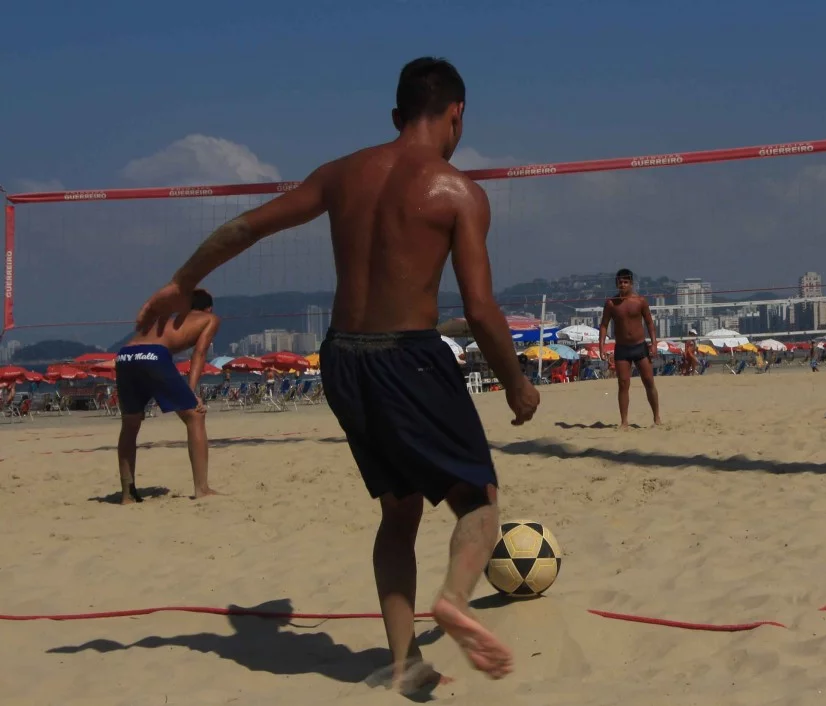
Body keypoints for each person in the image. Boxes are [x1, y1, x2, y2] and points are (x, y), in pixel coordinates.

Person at [133, 57, 539, 693]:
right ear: (456, 113)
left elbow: (246, 227)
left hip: (342, 358)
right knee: (479, 503)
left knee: (398, 512)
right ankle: (456, 599)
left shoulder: (342, 174)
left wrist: (183, 282)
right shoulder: (459, 191)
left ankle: (405, 663)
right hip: (408, 353)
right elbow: (481, 308)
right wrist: (516, 383)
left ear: (396, 115)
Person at [116, 288, 221, 504]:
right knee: (195, 416)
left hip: (125, 355)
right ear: (208, 308)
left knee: (130, 424)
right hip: (153, 355)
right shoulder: (210, 318)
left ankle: (127, 493)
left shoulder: (168, 320)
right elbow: (199, 354)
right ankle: (202, 488)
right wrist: (192, 392)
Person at [598, 268, 661, 429]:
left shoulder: (640, 301)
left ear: (631, 283)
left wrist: (654, 344)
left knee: (649, 382)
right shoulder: (611, 304)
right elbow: (604, 325)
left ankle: (657, 418)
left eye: (626, 282)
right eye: (620, 282)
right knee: (623, 384)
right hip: (622, 348)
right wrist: (601, 346)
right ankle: (624, 421)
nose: (623, 285)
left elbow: (650, 324)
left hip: (640, 346)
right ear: (617, 283)